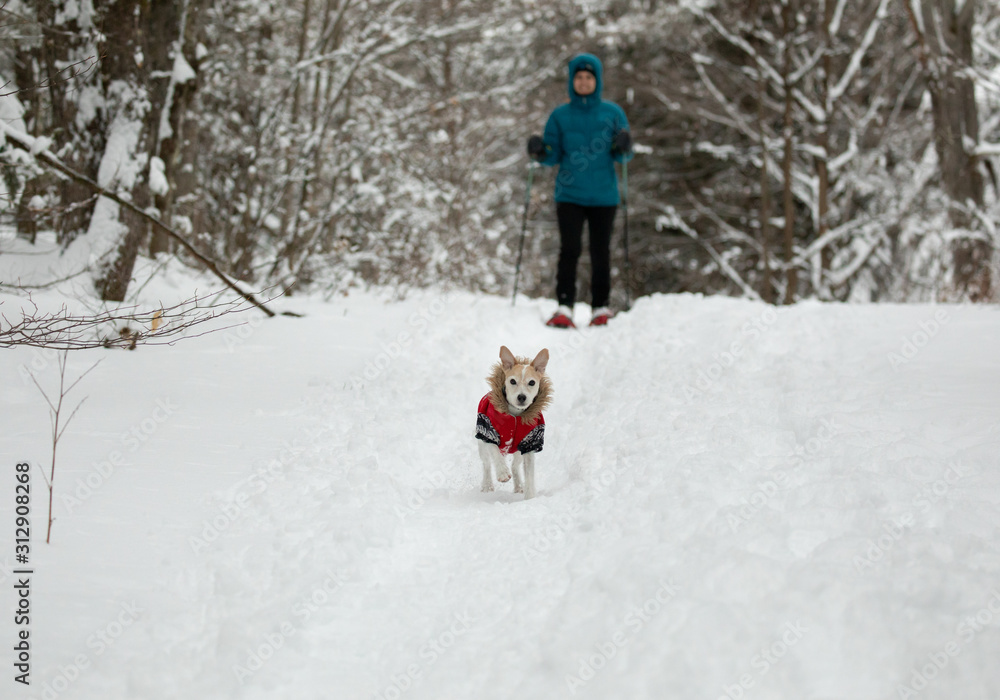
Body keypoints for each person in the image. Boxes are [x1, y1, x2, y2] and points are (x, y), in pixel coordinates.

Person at [527, 53, 634, 328]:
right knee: (570, 249)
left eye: (589, 77)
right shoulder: (560, 116)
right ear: (571, 81)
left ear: (596, 81)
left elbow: (622, 157)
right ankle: (564, 306)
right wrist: (539, 150)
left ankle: (600, 308)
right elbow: (551, 155)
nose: (584, 82)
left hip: (604, 195)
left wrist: (624, 145)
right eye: (579, 77)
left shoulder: (612, 113)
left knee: (601, 251)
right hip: (570, 194)